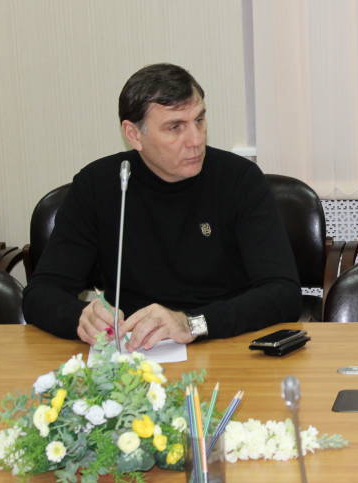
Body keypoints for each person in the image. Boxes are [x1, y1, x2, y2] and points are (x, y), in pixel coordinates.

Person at [23, 63, 301, 350]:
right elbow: (41, 293)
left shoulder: (239, 179)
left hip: (225, 343)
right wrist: (80, 317)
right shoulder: (98, 186)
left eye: (199, 120)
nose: (196, 139)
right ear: (134, 134)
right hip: (135, 351)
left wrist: (193, 323)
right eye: (175, 127)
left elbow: (284, 293)